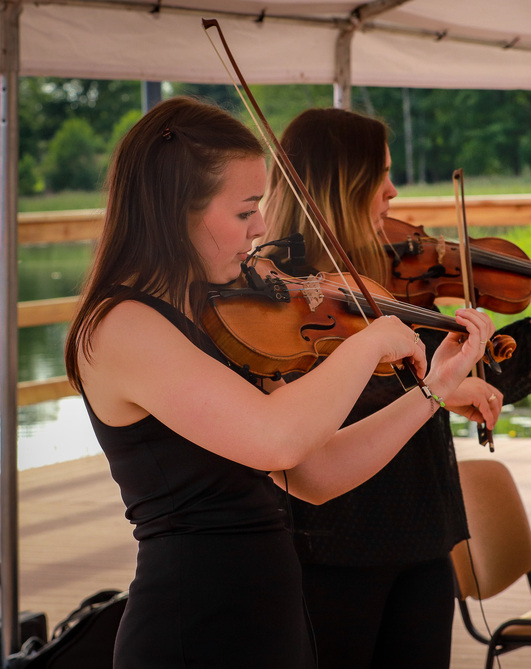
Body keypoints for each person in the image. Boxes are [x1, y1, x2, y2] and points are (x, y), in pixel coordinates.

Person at [62, 97, 498, 669]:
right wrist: (370, 342)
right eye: (245, 212)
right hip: (195, 627)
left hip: (269, 614)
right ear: (176, 211)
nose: (264, 228)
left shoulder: (213, 311)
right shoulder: (122, 327)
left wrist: (432, 392)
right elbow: (277, 438)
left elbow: (314, 474)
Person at [261, 107, 531, 668]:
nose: (393, 192)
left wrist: (530, 329)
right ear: (340, 184)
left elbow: (452, 379)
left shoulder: (380, 280)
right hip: (335, 543)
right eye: (382, 177)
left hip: (422, 531)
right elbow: (319, 414)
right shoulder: (280, 292)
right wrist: (435, 393)